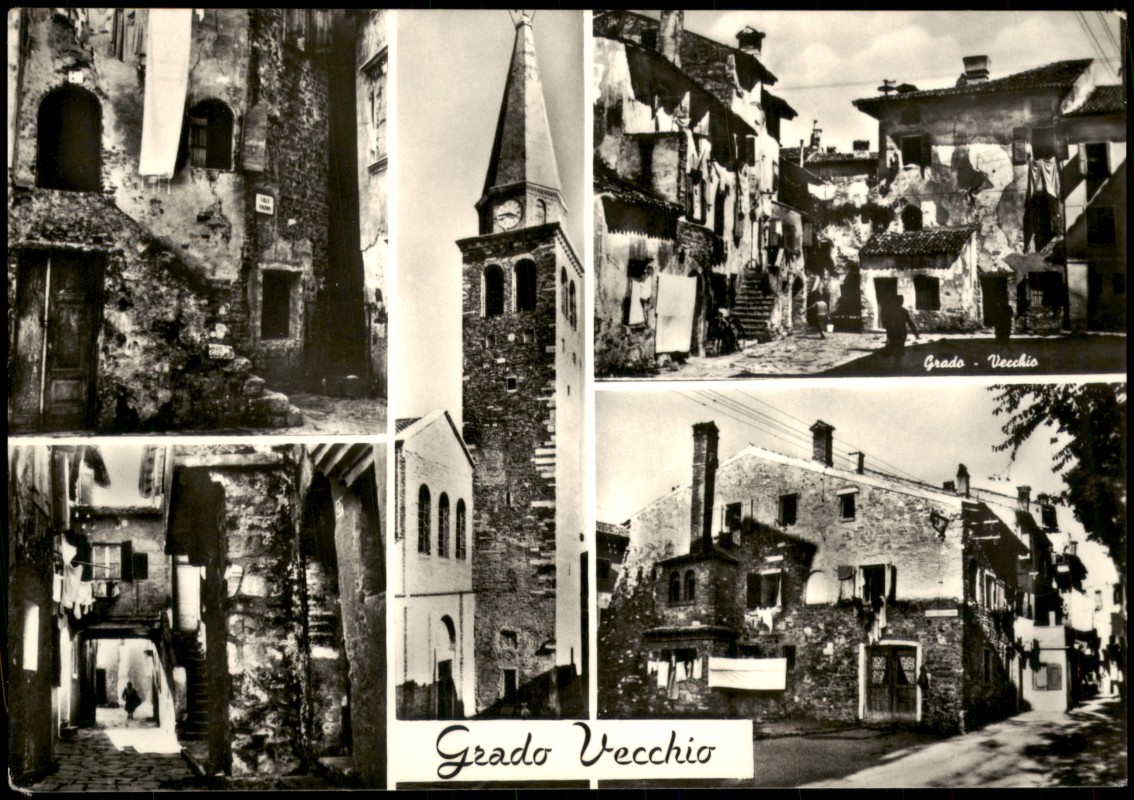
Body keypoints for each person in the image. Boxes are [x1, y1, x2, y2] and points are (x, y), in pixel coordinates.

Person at [881, 294, 919, 365]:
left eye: (902, 301)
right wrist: (915, 333)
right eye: (900, 301)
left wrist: (915, 333)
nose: (901, 302)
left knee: (898, 350)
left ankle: (897, 366)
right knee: (897, 350)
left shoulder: (901, 311)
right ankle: (896, 365)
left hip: (899, 333)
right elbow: (887, 323)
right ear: (896, 302)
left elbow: (909, 322)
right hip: (897, 333)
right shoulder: (900, 311)